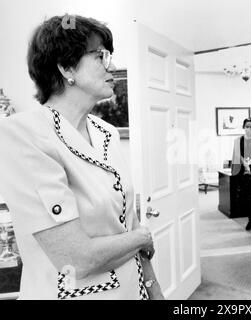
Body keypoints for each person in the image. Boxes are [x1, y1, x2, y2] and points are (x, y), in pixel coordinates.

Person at [0, 14, 164, 300]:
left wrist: (152, 288)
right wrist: (141, 238)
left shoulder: (106, 132)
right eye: (100, 56)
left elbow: (129, 222)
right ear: (65, 67)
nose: (111, 65)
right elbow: (76, 258)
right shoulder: (23, 135)